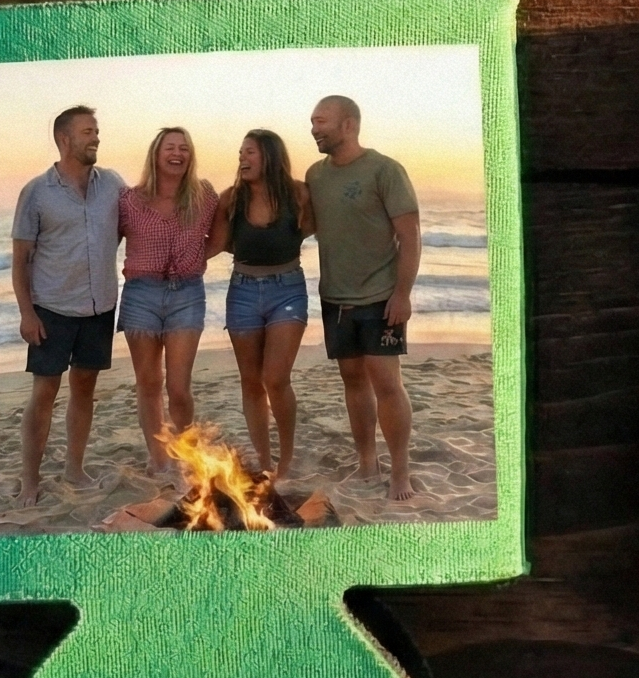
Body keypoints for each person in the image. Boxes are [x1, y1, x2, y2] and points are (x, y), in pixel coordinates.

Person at [306, 95, 422, 501]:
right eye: (312, 122)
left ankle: (400, 473)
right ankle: (367, 461)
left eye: (322, 121)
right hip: (335, 298)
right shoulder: (315, 175)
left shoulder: (384, 170)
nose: (315, 129)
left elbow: (409, 235)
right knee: (352, 381)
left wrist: (402, 294)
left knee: (387, 384)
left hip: (380, 297)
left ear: (349, 124)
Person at [10, 106, 125, 504]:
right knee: (44, 393)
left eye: (96, 130)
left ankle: (74, 470)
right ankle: (30, 479)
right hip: (53, 309)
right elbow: (21, 258)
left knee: (85, 388)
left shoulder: (112, 184)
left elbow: (140, 223)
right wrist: (27, 313)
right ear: (64, 139)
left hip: (100, 307)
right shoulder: (37, 192)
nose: (96, 137)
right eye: (88, 131)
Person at [208, 128, 312, 482]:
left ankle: (287, 456)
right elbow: (216, 244)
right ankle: (264, 459)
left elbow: (314, 229)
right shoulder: (230, 199)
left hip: (288, 289)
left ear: (269, 155)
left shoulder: (298, 194)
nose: (242, 158)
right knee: (251, 381)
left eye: (249, 152)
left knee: (276, 378)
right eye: (240, 153)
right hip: (243, 291)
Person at [116, 126, 219, 479]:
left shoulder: (203, 195)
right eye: (170, 147)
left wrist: (197, 258)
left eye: (184, 148)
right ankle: (159, 458)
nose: (177, 153)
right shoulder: (130, 200)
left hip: (187, 294)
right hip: (140, 294)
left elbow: (221, 232)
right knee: (147, 382)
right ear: (156, 154)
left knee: (178, 387)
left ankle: (185, 450)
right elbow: (105, 242)